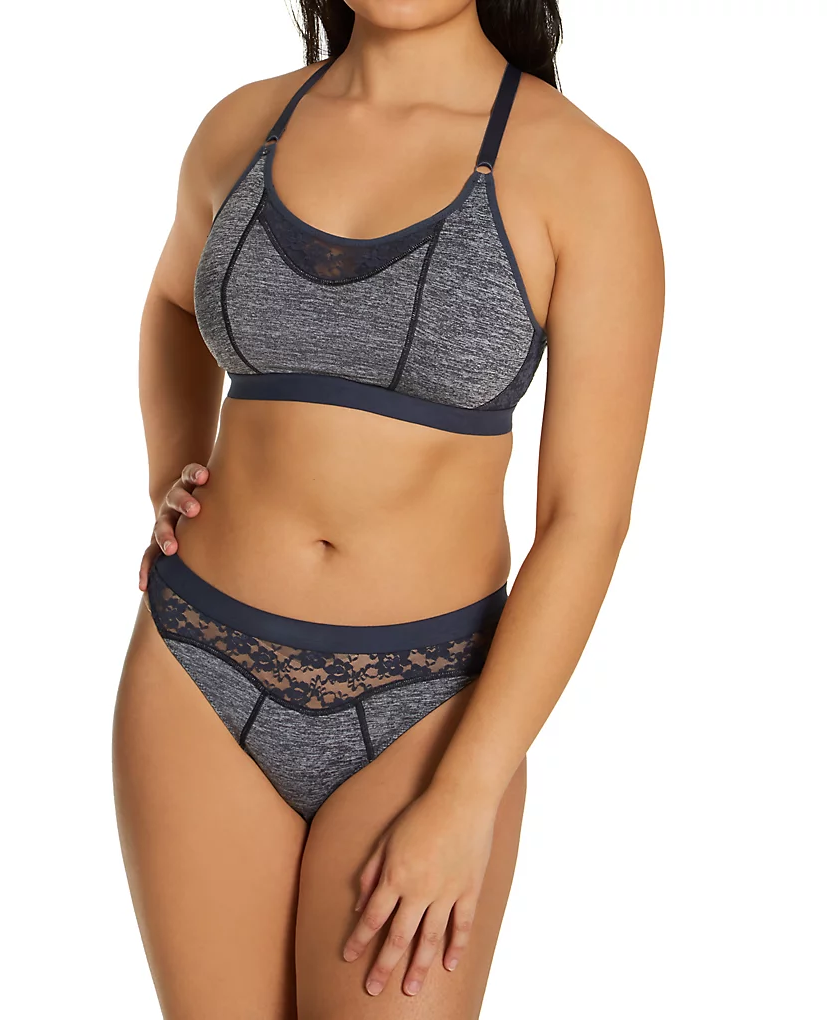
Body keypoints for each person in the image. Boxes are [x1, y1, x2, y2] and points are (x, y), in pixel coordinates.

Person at [112, 1, 664, 1016]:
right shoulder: (240, 128)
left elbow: (585, 518)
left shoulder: (583, 174)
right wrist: (169, 474)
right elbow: (172, 303)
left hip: (427, 707)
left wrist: (465, 795)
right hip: (195, 668)